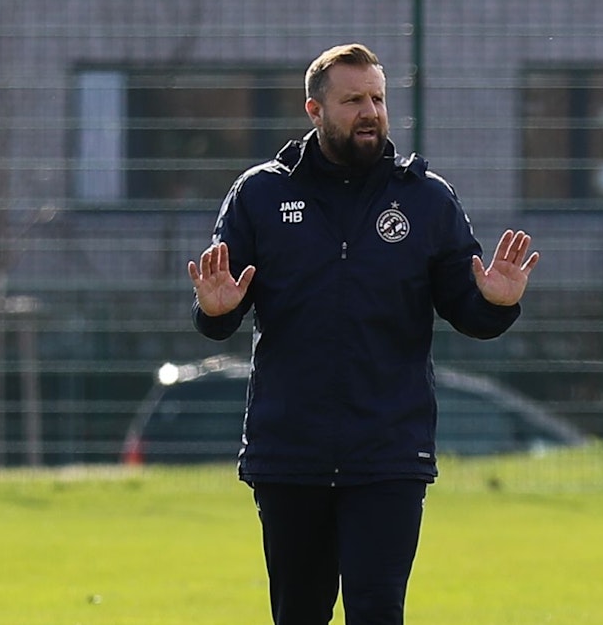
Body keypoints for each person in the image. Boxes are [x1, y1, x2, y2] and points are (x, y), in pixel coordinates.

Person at [186, 43, 540, 624]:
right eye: (353, 100)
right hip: (290, 452)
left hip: (389, 452)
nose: (370, 111)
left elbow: (470, 313)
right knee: (299, 613)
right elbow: (218, 316)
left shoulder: (425, 200)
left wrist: (496, 302)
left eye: (377, 98)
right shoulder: (260, 196)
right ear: (314, 110)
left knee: (377, 609)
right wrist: (217, 310)